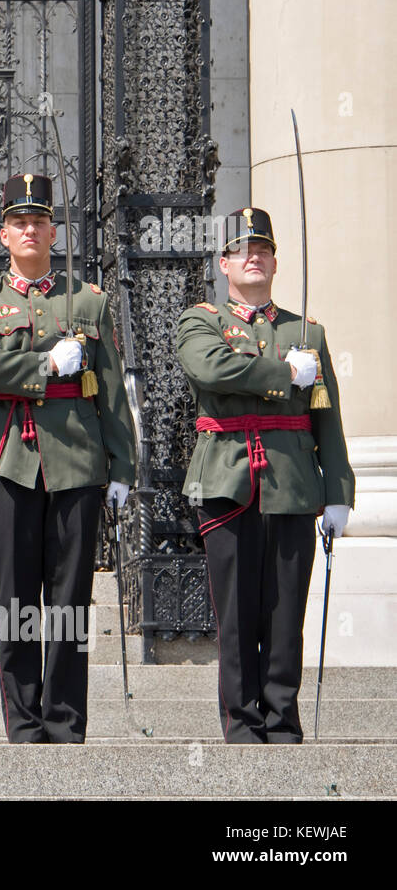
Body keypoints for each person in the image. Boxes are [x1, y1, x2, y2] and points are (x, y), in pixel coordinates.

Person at [0, 172, 136, 743]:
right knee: (14, 599)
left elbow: (111, 392)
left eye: (39, 221)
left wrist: (122, 468)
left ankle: (65, 722)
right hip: (7, 459)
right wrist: (46, 366)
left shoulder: (87, 301)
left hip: (76, 461)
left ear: (54, 231)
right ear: (3, 234)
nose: (29, 230)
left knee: (70, 602)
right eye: (18, 222)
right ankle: (25, 724)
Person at [176, 207, 353, 743]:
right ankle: (242, 723)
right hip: (228, 479)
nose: (254, 257)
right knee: (235, 613)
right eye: (242, 250)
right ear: (224, 263)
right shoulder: (200, 321)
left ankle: (282, 721)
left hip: (294, 483)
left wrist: (338, 490)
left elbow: (326, 415)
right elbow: (211, 368)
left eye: (263, 250)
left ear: (275, 262)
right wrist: (281, 374)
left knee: (284, 614)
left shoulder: (307, 331)